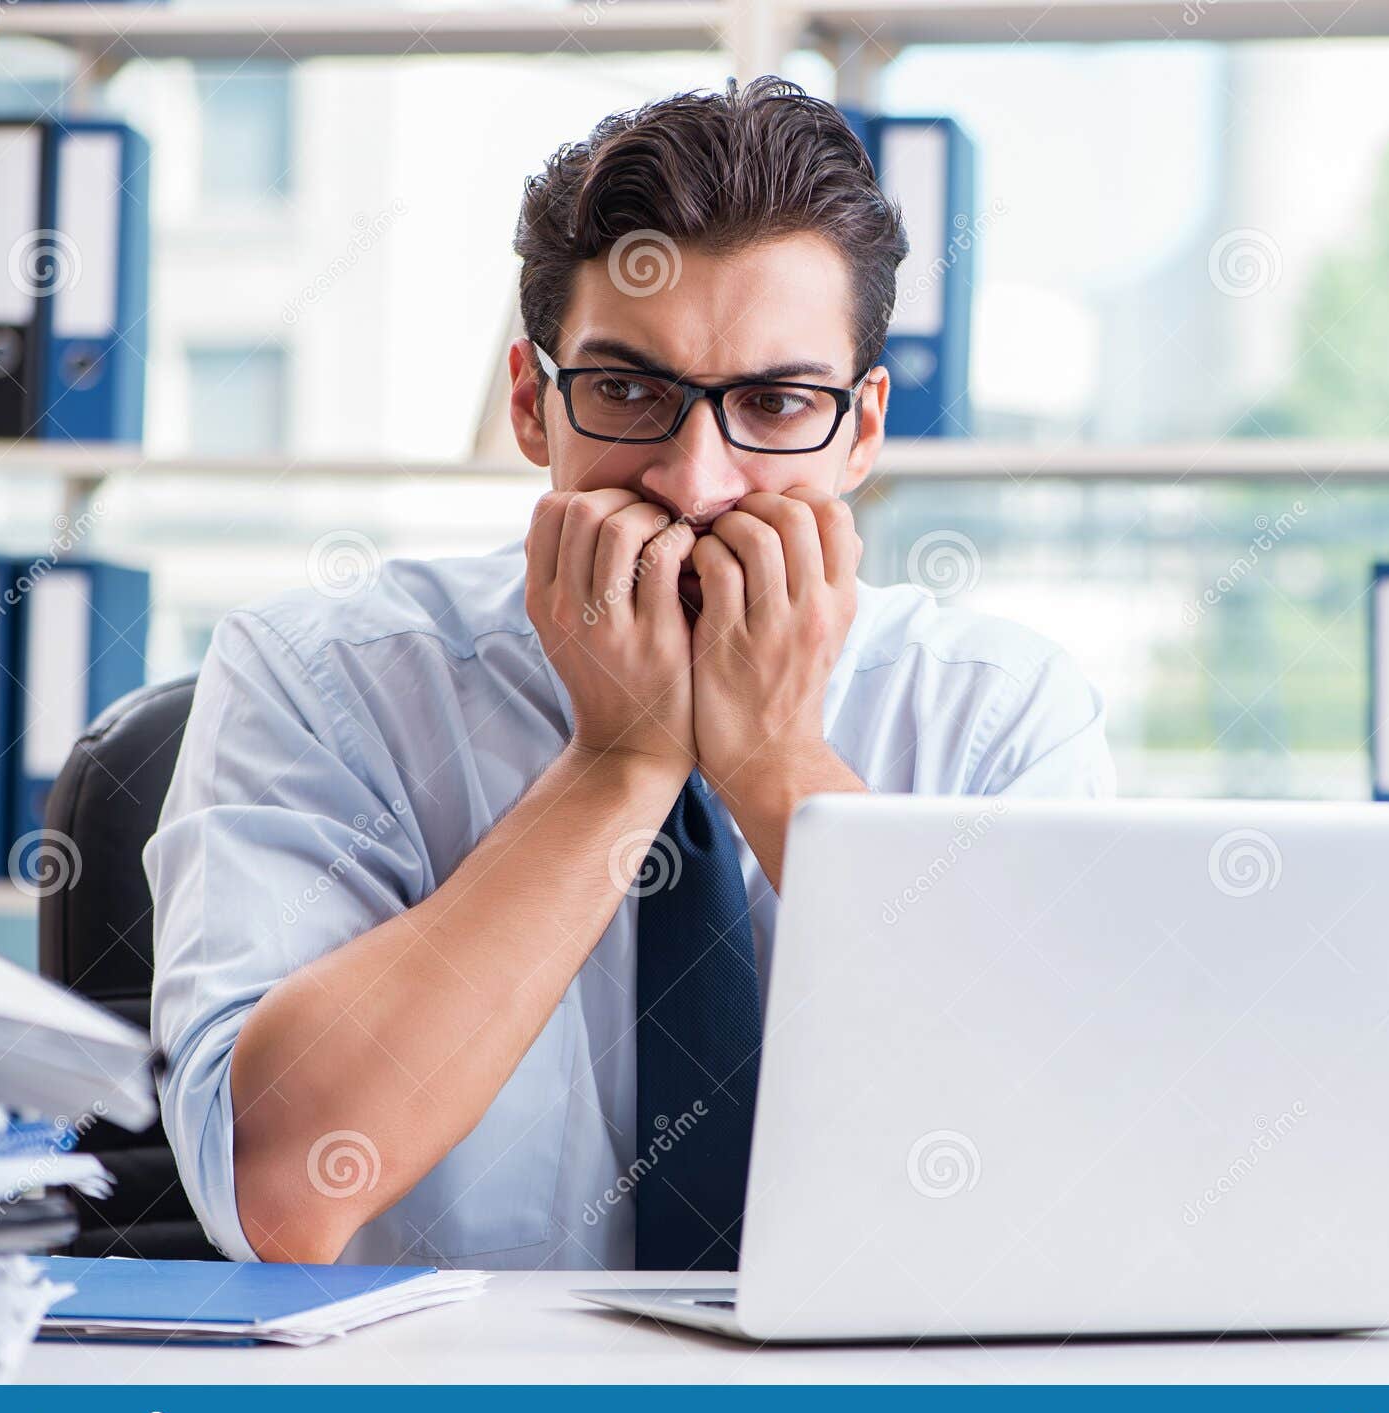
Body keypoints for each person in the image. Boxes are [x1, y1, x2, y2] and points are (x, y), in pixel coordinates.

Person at [148, 74, 1113, 1272]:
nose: (695, 481)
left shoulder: (994, 709)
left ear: (860, 430)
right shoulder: (318, 676)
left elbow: (1078, 1172)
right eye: (627, 390)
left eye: (772, 402)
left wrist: (776, 767)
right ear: (531, 406)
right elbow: (278, 1194)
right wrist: (616, 764)